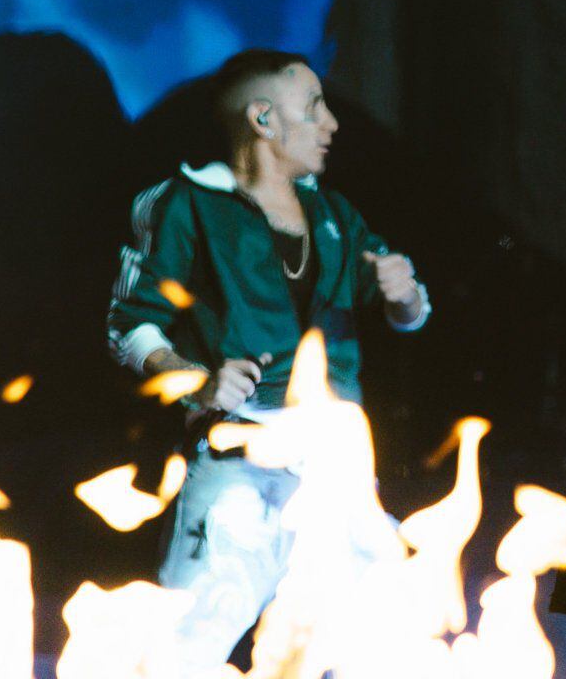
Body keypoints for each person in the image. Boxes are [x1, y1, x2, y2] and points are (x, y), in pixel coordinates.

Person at [105, 49, 431, 672]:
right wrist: (195, 380)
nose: (331, 123)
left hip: (336, 472)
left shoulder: (334, 215)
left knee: (387, 645)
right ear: (262, 119)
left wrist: (405, 295)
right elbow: (129, 323)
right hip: (241, 464)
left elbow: (407, 310)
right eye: (313, 108)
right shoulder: (186, 205)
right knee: (184, 645)